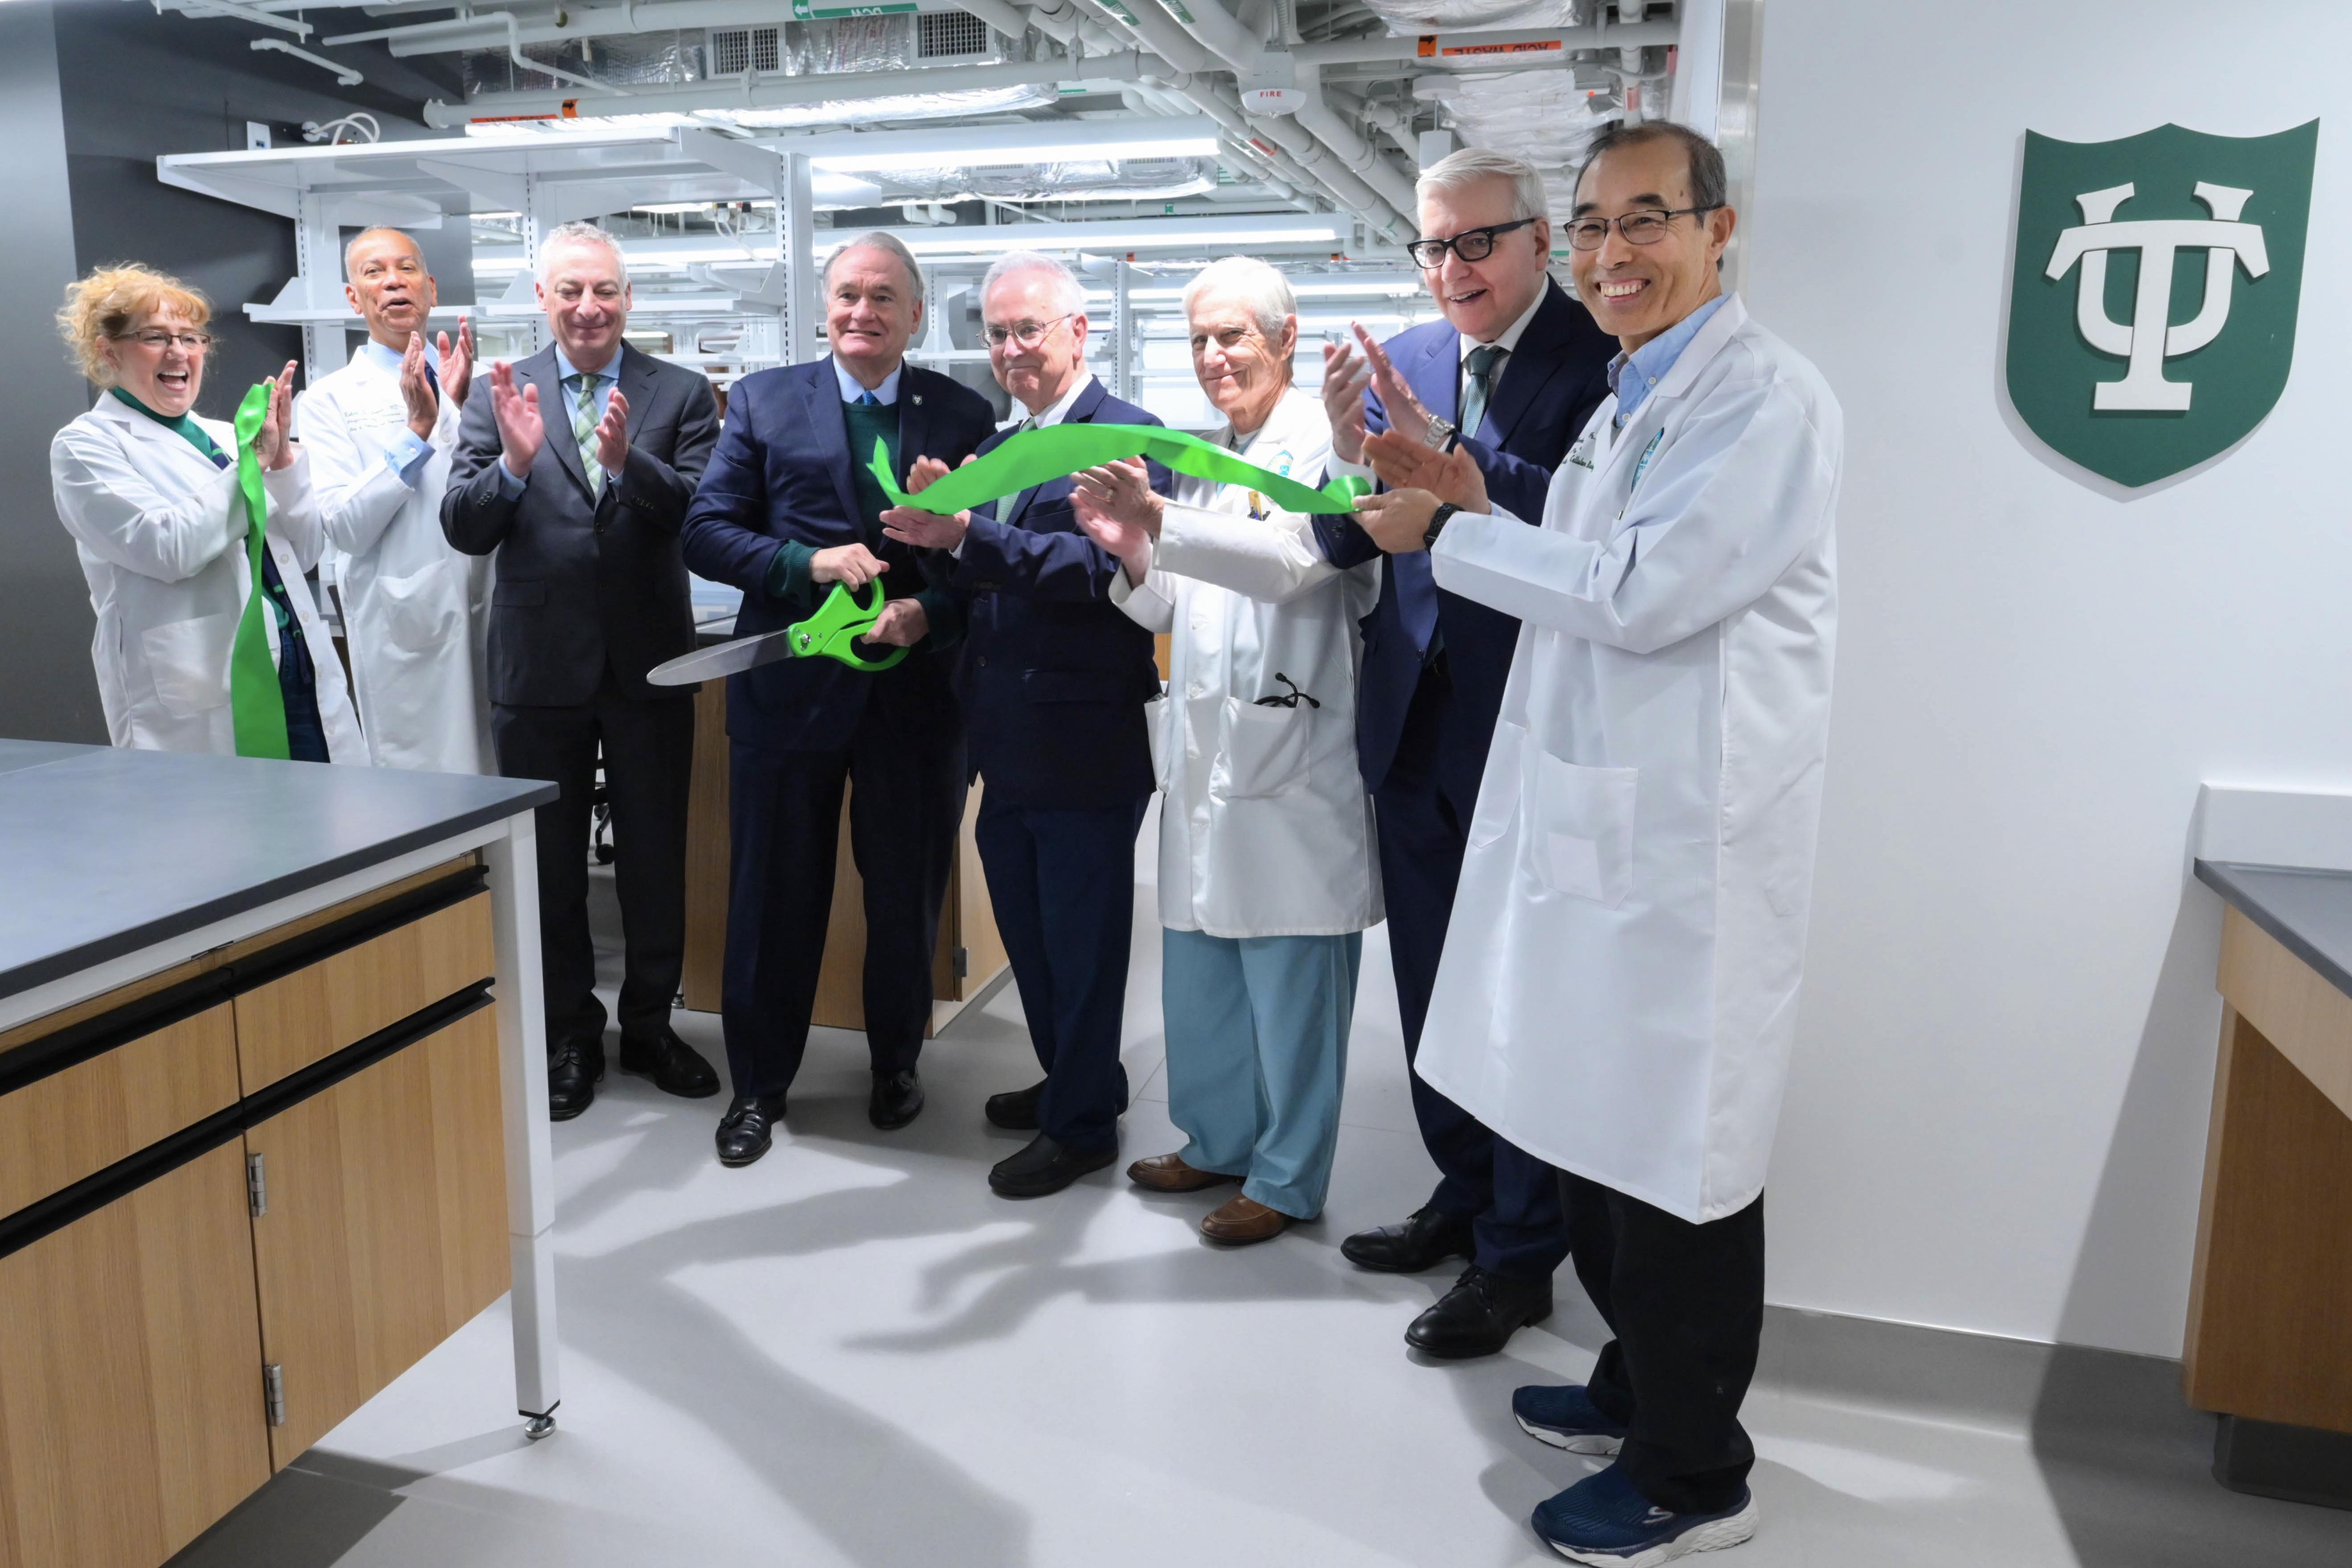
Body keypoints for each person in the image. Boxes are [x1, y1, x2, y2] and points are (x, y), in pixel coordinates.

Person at [1351, 121, 1841, 1565]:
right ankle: (1636, 1387)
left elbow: (1638, 590)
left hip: (1693, 852)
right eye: (1589, 227)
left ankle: (1695, 1469)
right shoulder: (1636, 398)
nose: (1610, 253)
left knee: (1677, 1156)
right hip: (1610, 836)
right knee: (1602, 1136)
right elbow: (1578, 552)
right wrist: (1460, 497)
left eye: (1644, 220)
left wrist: (1443, 533)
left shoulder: (1761, 401)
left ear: (1715, 227)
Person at [1316, 148, 1617, 1358]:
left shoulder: (1599, 359)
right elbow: (1367, 522)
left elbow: (1586, 527)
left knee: (1512, 991)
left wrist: (1453, 463)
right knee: (1432, 984)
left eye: (1475, 243)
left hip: (1522, 717)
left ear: (1540, 239)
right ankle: (1460, 1185)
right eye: (1431, 247)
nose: (1451, 270)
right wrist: (1350, 457)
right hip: (1411, 714)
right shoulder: (1412, 354)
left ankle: (1517, 1253)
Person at [1072, 256, 1380, 1245]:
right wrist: (1130, 550)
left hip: (1289, 753)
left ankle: (1288, 1179)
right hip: (1210, 755)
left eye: (1232, 336)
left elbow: (1298, 562)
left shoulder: (1326, 450)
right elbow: (1180, 605)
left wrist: (1160, 518)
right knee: (1201, 975)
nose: (1212, 357)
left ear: (1285, 340)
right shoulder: (1209, 456)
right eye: (1197, 339)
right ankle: (1217, 1138)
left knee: (1290, 987)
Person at [679, 232, 995, 1168]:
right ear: (826, 307)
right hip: (790, 694)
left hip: (913, 702)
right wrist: (802, 561)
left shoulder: (961, 412)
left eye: (883, 297)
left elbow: (980, 566)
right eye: (848, 295)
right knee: (773, 897)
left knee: (905, 897)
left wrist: (926, 615)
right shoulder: (766, 401)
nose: (863, 312)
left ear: (914, 315)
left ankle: (896, 1063)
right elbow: (705, 530)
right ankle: (758, 1086)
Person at [877, 251, 1171, 1197]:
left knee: (1080, 943)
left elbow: (1098, 576)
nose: (1008, 349)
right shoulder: (1002, 446)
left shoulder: (1125, 436)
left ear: (1079, 332)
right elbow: (985, 579)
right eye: (995, 333)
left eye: (1026, 329)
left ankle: (1082, 1125)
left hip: (1082, 737)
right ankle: (1078, 1077)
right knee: (1035, 937)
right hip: (1002, 735)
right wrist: (938, 539)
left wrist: (970, 534)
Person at [442, 220, 722, 1121]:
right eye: (569, 291)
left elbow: (701, 515)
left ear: (627, 297)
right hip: (536, 665)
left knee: (652, 853)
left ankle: (649, 1024)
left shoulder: (677, 393)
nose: (588, 306)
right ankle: (569, 1033)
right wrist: (516, 468)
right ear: (542, 299)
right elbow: (463, 524)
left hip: (649, 659)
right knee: (551, 864)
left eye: (603, 289)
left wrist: (624, 463)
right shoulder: (499, 393)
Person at [51, 263, 364, 764]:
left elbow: (302, 551)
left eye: (191, 338)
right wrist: (255, 462)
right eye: (155, 337)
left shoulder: (226, 436)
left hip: (298, 666)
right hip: (202, 681)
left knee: (337, 823)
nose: (179, 352)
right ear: (107, 351)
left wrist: (282, 464)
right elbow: (169, 548)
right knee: (230, 831)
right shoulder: (86, 446)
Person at [296, 226, 491, 773]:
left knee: (513, 797)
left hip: (495, 616)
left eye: (406, 269)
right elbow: (343, 527)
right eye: (374, 273)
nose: (393, 283)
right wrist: (418, 431)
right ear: (354, 298)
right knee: (433, 794)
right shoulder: (329, 401)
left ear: (430, 288)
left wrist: (454, 410)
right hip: (407, 626)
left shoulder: (478, 383)